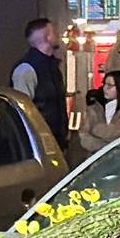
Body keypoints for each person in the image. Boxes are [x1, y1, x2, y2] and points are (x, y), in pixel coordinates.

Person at [11, 18, 72, 147]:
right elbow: (22, 111)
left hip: (55, 141)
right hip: (39, 143)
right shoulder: (26, 69)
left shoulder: (52, 67)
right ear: (48, 37)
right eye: (54, 32)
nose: (58, 35)